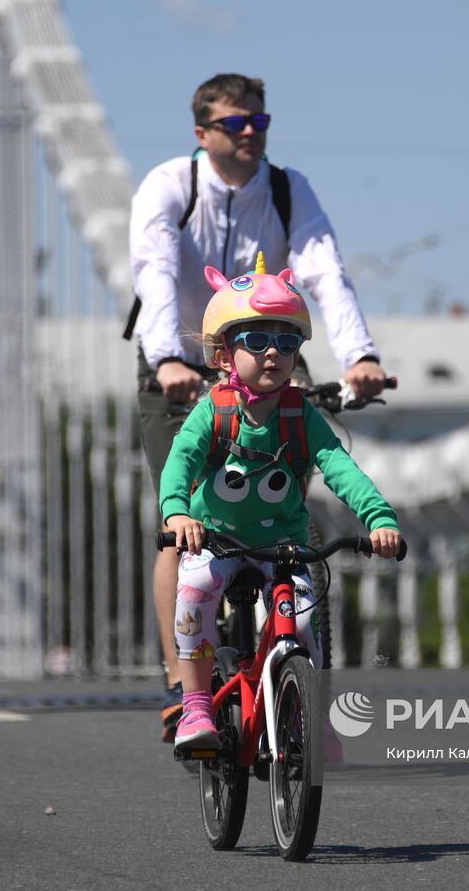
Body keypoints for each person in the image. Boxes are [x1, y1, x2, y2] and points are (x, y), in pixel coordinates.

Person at [129, 73, 388, 739]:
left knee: (283, 513)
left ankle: (289, 668)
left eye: (259, 123)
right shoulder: (168, 187)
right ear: (202, 133)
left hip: (271, 357)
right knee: (181, 511)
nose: (251, 134)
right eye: (235, 124)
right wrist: (168, 360)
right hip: (182, 366)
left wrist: (358, 354)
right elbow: (155, 271)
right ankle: (183, 685)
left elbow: (323, 266)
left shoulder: (286, 188)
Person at [159, 257, 401, 752]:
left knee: (305, 622)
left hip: (284, 543)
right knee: (195, 595)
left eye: (288, 341)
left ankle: (308, 717)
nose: (274, 352)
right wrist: (178, 513)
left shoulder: (300, 413)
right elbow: (181, 460)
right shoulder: (215, 409)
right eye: (256, 340)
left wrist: (378, 518)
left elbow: (338, 465)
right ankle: (196, 706)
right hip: (217, 540)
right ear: (224, 355)